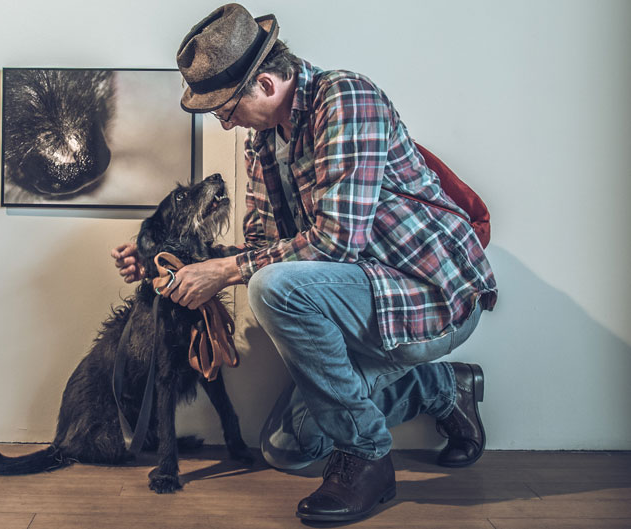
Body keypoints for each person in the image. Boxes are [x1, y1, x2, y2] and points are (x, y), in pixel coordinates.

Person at [112, 3, 498, 523]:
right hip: (362, 309)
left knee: (273, 289)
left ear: (267, 85)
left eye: (226, 110)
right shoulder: (263, 143)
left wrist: (224, 272)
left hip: (427, 297)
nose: (226, 124)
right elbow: (261, 247)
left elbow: (335, 244)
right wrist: (170, 266)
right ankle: (445, 388)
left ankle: (367, 459)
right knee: (290, 448)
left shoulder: (347, 100)